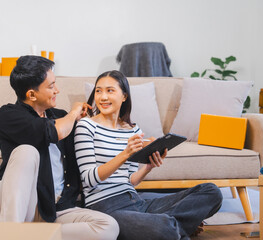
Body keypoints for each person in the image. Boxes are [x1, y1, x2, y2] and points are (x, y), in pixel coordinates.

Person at [74, 70, 223, 240]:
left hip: (136, 202)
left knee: (211, 192)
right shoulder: (86, 126)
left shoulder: (133, 130)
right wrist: (125, 154)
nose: (102, 97)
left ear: (124, 96)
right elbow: (88, 179)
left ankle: (168, 226)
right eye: (98, 91)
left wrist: (148, 168)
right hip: (107, 208)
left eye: (110, 90)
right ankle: (175, 226)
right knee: (163, 229)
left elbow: (131, 180)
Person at [0, 56, 119, 240]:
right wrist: (73, 114)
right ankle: (10, 234)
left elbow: (90, 149)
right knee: (27, 151)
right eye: (51, 86)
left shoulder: (61, 117)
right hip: (20, 207)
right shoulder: (8, 115)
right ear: (31, 94)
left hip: (55, 209)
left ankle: (29, 236)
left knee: (108, 227)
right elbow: (52, 132)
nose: (57, 90)